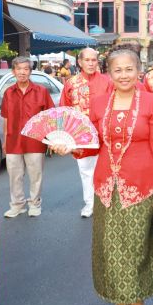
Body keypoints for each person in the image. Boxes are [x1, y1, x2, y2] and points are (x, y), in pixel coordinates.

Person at [52, 46, 153, 305]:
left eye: (129, 69)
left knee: (137, 243)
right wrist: (70, 147)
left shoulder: (150, 103)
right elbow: (92, 143)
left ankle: (138, 298)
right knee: (109, 244)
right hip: (106, 184)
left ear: (138, 71)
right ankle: (119, 297)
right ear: (109, 73)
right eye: (117, 70)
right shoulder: (98, 104)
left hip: (143, 185)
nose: (123, 75)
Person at [61, 47, 114, 217]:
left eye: (94, 60)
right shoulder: (71, 83)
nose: (91, 63)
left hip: (105, 133)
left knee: (107, 169)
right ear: (80, 62)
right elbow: (65, 110)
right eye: (87, 60)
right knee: (85, 171)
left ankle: (106, 201)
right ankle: (90, 204)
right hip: (81, 135)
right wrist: (66, 136)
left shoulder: (108, 82)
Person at [2, 56, 55, 218]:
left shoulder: (41, 91)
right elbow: (5, 118)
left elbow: (50, 117)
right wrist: (5, 141)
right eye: (19, 69)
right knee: (14, 177)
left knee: (35, 175)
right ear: (13, 71)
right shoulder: (8, 93)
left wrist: (51, 139)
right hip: (13, 141)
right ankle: (17, 205)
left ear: (30, 72)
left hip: (35, 142)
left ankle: (34, 203)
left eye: (26, 69)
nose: (22, 72)